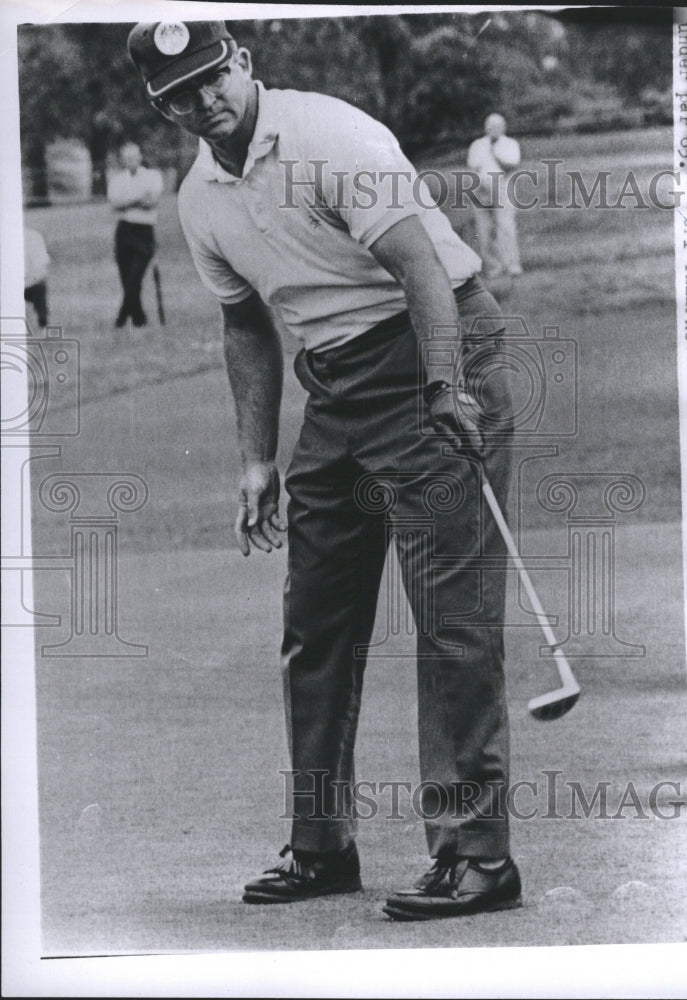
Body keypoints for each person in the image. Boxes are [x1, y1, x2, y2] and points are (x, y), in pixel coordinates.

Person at [128, 19, 520, 921]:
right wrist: (256, 458)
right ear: (162, 106)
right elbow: (244, 324)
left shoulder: (330, 135)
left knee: (450, 619)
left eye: (211, 77)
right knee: (316, 624)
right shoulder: (200, 199)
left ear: (243, 64)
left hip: (437, 349)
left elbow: (420, 265)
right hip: (336, 390)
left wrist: (444, 387)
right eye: (178, 94)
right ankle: (321, 844)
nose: (203, 101)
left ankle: (478, 857)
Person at [107, 141, 163, 327]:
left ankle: (122, 317)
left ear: (140, 157)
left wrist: (129, 200)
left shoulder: (152, 176)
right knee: (126, 276)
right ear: (123, 160)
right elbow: (115, 203)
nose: (131, 161)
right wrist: (139, 198)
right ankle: (139, 318)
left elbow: (152, 202)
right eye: (127, 158)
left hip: (144, 231)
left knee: (135, 277)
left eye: (134, 156)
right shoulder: (118, 180)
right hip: (124, 230)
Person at [466, 113, 524, 277]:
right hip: (481, 187)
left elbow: (511, 165)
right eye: (490, 126)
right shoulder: (477, 144)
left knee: (506, 227)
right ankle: (493, 267)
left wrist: (494, 152)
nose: (493, 129)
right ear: (485, 128)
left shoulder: (510, 144)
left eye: (497, 126)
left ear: (503, 128)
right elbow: (473, 166)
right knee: (484, 229)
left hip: (502, 185)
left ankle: (512, 265)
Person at [24, 225, 50, 328]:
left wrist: (26, 282)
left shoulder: (33, 236)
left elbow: (42, 270)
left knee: (40, 287)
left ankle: (42, 323)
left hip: (30, 283)